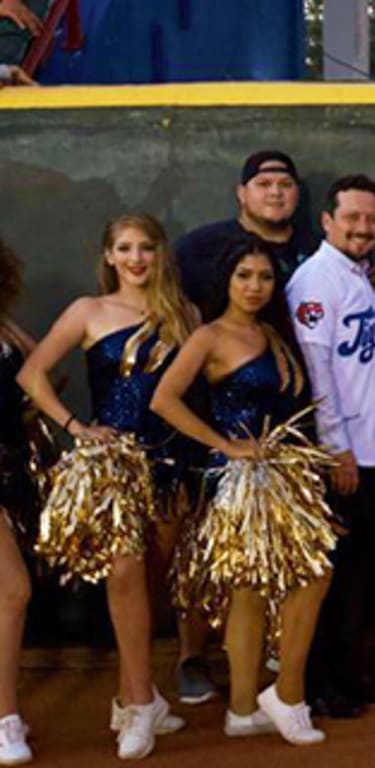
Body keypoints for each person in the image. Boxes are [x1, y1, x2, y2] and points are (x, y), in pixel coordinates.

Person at [16, 215, 192, 758]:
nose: (136, 257)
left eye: (146, 247)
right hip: (113, 468)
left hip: (171, 465)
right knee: (123, 577)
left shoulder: (185, 315)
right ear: (109, 256)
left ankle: (135, 697)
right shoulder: (88, 311)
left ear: (160, 254)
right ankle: (139, 707)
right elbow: (32, 374)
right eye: (125, 248)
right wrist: (76, 428)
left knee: (152, 586)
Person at [150, 237, 328, 745]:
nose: (254, 286)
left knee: (262, 588)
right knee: (295, 577)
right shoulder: (209, 336)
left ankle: (245, 707)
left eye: (265, 277)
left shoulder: (274, 333)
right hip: (238, 484)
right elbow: (165, 400)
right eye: (244, 276)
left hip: (284, 478)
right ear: (227, 280)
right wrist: (223, 445)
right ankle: (287, 694)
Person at [285, 174, 375, 718]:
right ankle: (321, 683)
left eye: (371, 219)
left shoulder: (359, 276)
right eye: (352, 217)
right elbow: (317, 369)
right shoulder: (317, 278)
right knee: (332, 577)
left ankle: (351, 673)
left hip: (369, 450)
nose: (363, 227)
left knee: (360, 573)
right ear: (327, 221)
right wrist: (336, 448)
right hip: (340, 454)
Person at [175, 150, 318, 316]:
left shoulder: (318, 250)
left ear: (297, 194)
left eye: (286, 184)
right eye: (263, 184)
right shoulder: (200, 247)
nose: (275, 192)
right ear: (242, 193)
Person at [0, 238, 33, 765]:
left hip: (11, 474)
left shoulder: (6, 329)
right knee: (13, 591)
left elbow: (37, 370)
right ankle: (5, 721)